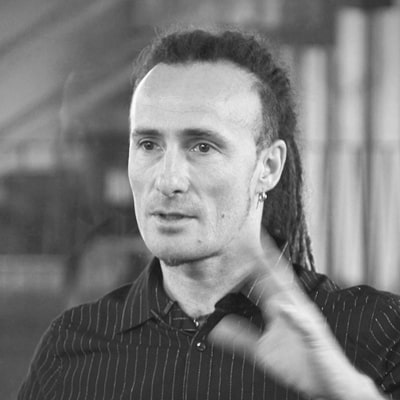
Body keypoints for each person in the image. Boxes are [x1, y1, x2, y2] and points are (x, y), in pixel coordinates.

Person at [18, 28, 400, 400]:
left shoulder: (380, 333)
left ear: (268, 167)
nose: (167, 180)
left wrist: (349, 394)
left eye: (202, 146)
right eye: (148, 144)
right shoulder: (71, 345)